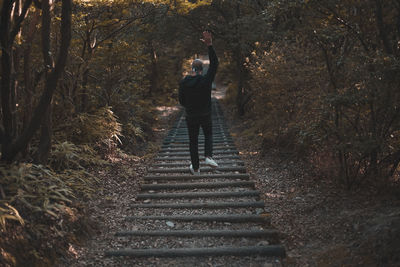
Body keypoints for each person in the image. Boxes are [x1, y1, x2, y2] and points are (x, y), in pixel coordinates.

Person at [178, 31, 219, 175]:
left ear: (192, 70)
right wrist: (209, 45)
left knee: (193, 141)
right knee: (208, 134)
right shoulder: (206, 80)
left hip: (191, 116)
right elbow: (215, 64)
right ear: (202, 70)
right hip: (205, 114)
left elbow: (181, 100)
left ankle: (196, 169)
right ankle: (208, 156)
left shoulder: (184, 82)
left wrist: (188, 106)